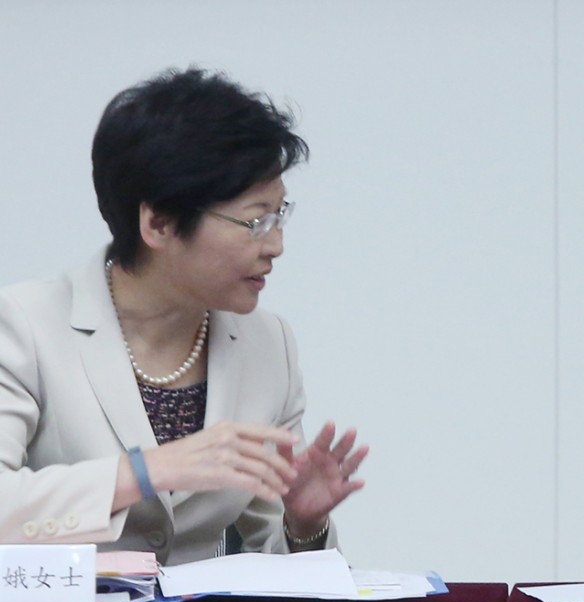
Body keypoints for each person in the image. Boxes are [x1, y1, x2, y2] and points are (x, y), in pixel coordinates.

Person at [0, 68, 368, 566]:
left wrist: (303, 524)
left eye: (281, 216)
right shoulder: (23, 324)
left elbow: (275, 568)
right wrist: (143, 472)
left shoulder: (268, 344)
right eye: (256, 221)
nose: (276, 246)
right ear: (159, 223)